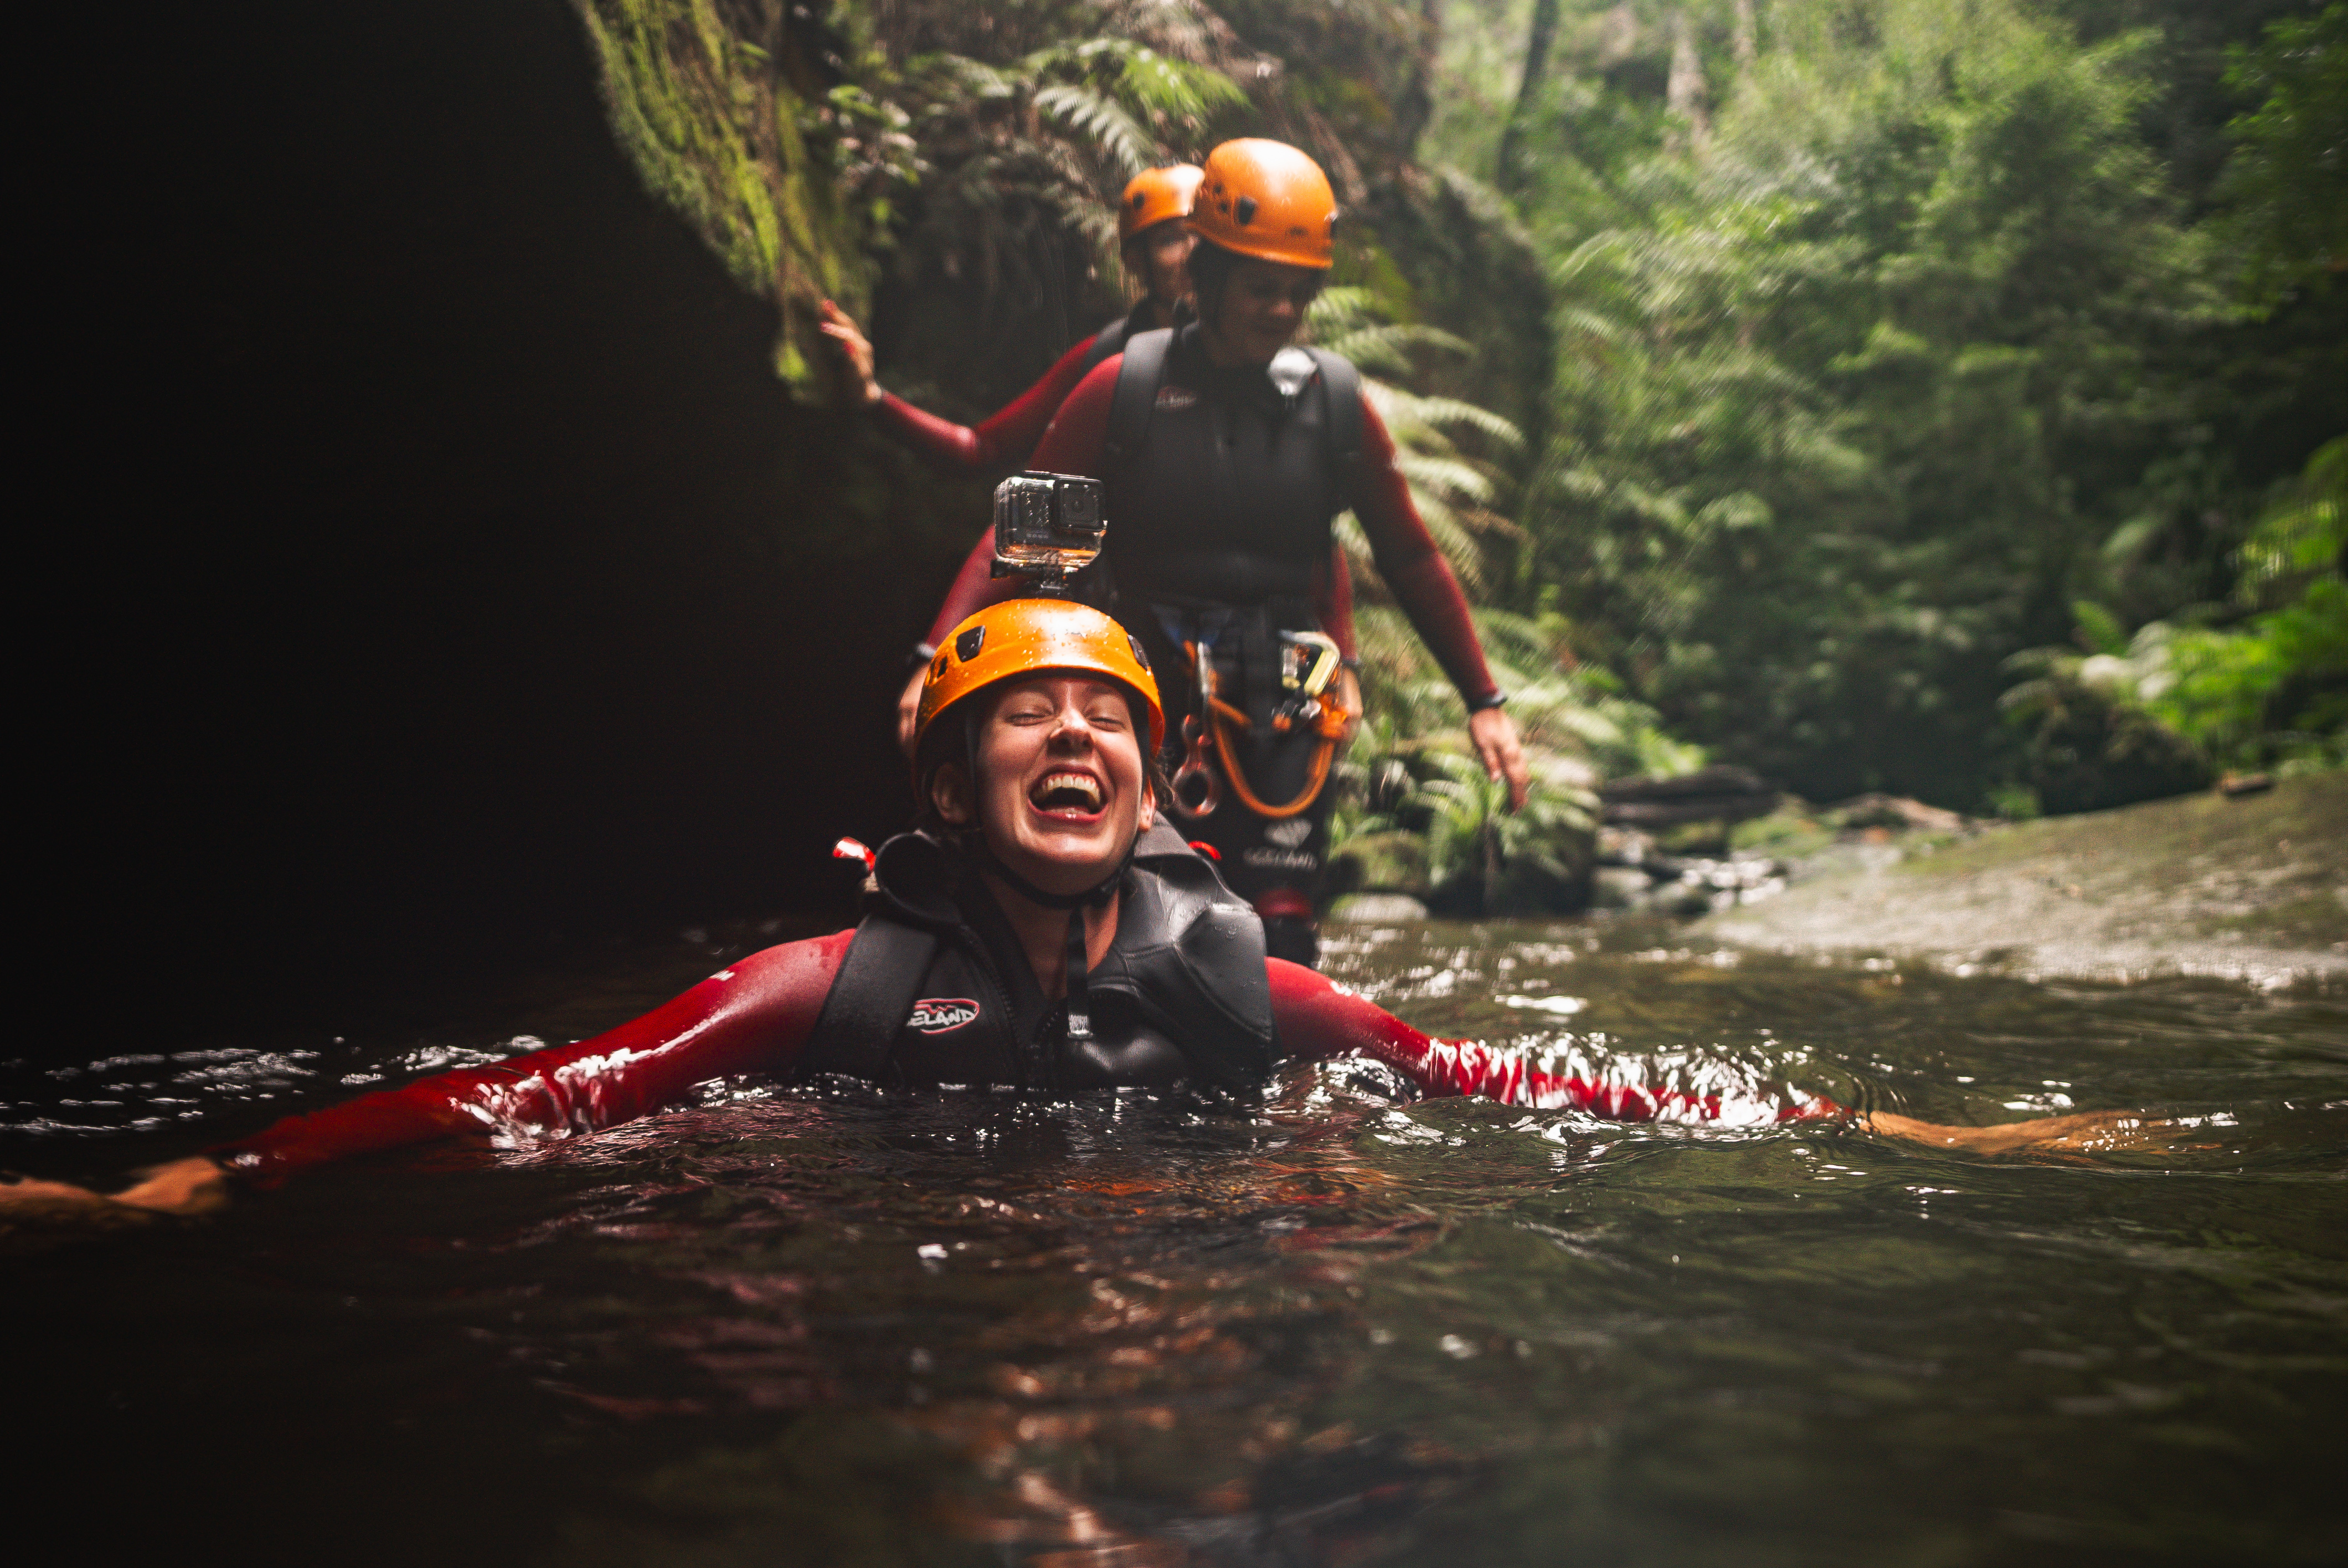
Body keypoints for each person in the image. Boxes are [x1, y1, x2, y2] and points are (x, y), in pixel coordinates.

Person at [1, 599, 2170, 1226]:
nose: (1066, 737)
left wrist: (1903, 1142)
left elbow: (1505, 1078)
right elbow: (541, 1098)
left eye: (1101, 721)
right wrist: (212, 1174)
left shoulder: (1240, 978)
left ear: (1156, 785)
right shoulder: (813, 995)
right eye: (1016, 718)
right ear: (949, 790)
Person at [905, 139, 1530, 968]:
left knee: (1282, 927)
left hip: (1291, 688)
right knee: (1144, 913)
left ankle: (1287, 1092)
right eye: (1263, 287)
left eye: (1300, 292)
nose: (1283, 310)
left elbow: (1412, 559)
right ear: (1207, 271)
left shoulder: (1334, 405)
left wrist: (1482, 699)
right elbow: (1018, 540)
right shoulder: (1124, 387)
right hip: (1149, 677)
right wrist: (932, 657)